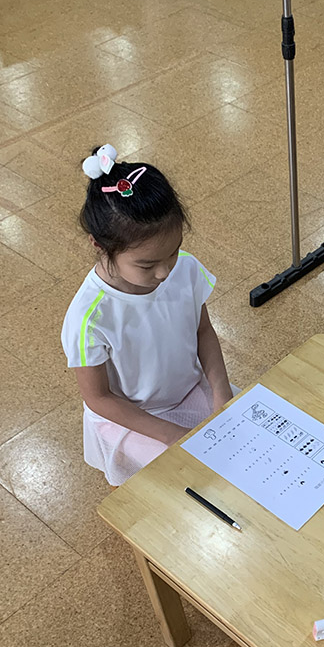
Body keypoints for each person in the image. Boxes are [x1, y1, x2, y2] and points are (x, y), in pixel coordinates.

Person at [61, 144, 234, 486]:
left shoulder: (184, 269)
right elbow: (98, 399)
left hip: (187, 389)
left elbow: (203, 331)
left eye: (173, 252)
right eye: (147, 264)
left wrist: (222, 393)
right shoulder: (88, 318)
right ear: (100, 245)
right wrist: (170, 434)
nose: (165, 271)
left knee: (243, 451)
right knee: (196, 482)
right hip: (133, 418)